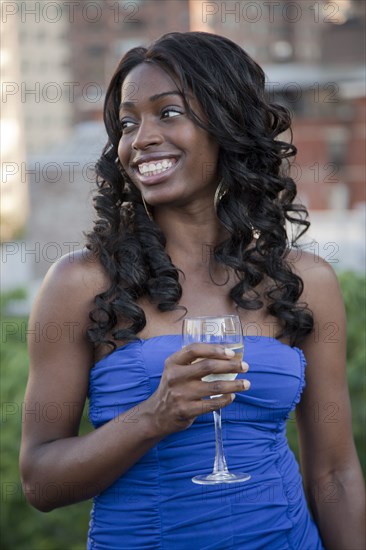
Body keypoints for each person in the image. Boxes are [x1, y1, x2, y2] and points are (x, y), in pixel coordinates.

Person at [20, 31, 365, 549]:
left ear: (227, 125)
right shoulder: (81, 284)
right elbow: (39, 481)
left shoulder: (303, 281)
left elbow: (335, 475)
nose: (142, 138)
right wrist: (152, 418)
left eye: (169, 113)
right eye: (129, 122)